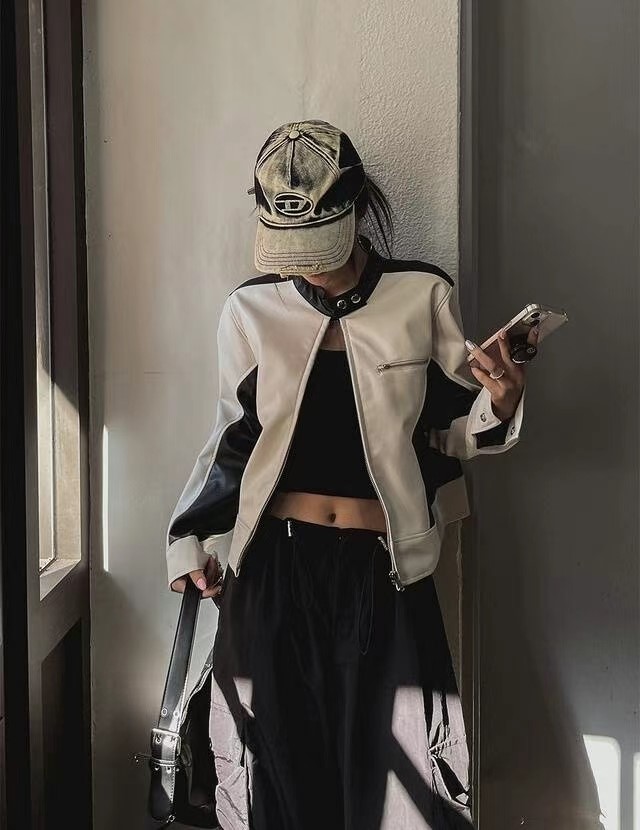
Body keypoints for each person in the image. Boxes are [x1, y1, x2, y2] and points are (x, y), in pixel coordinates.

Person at [165, 119, 537, 830]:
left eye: (318, 243)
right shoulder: (250, 309)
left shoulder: (421, 295)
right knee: (271, 784)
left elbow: (449, 433)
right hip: (272, 573)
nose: (304, 267)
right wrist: (191, 541)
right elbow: (234, 439)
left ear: (357, 208)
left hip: (384, 574)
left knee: (406, 793)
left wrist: (502, 401)